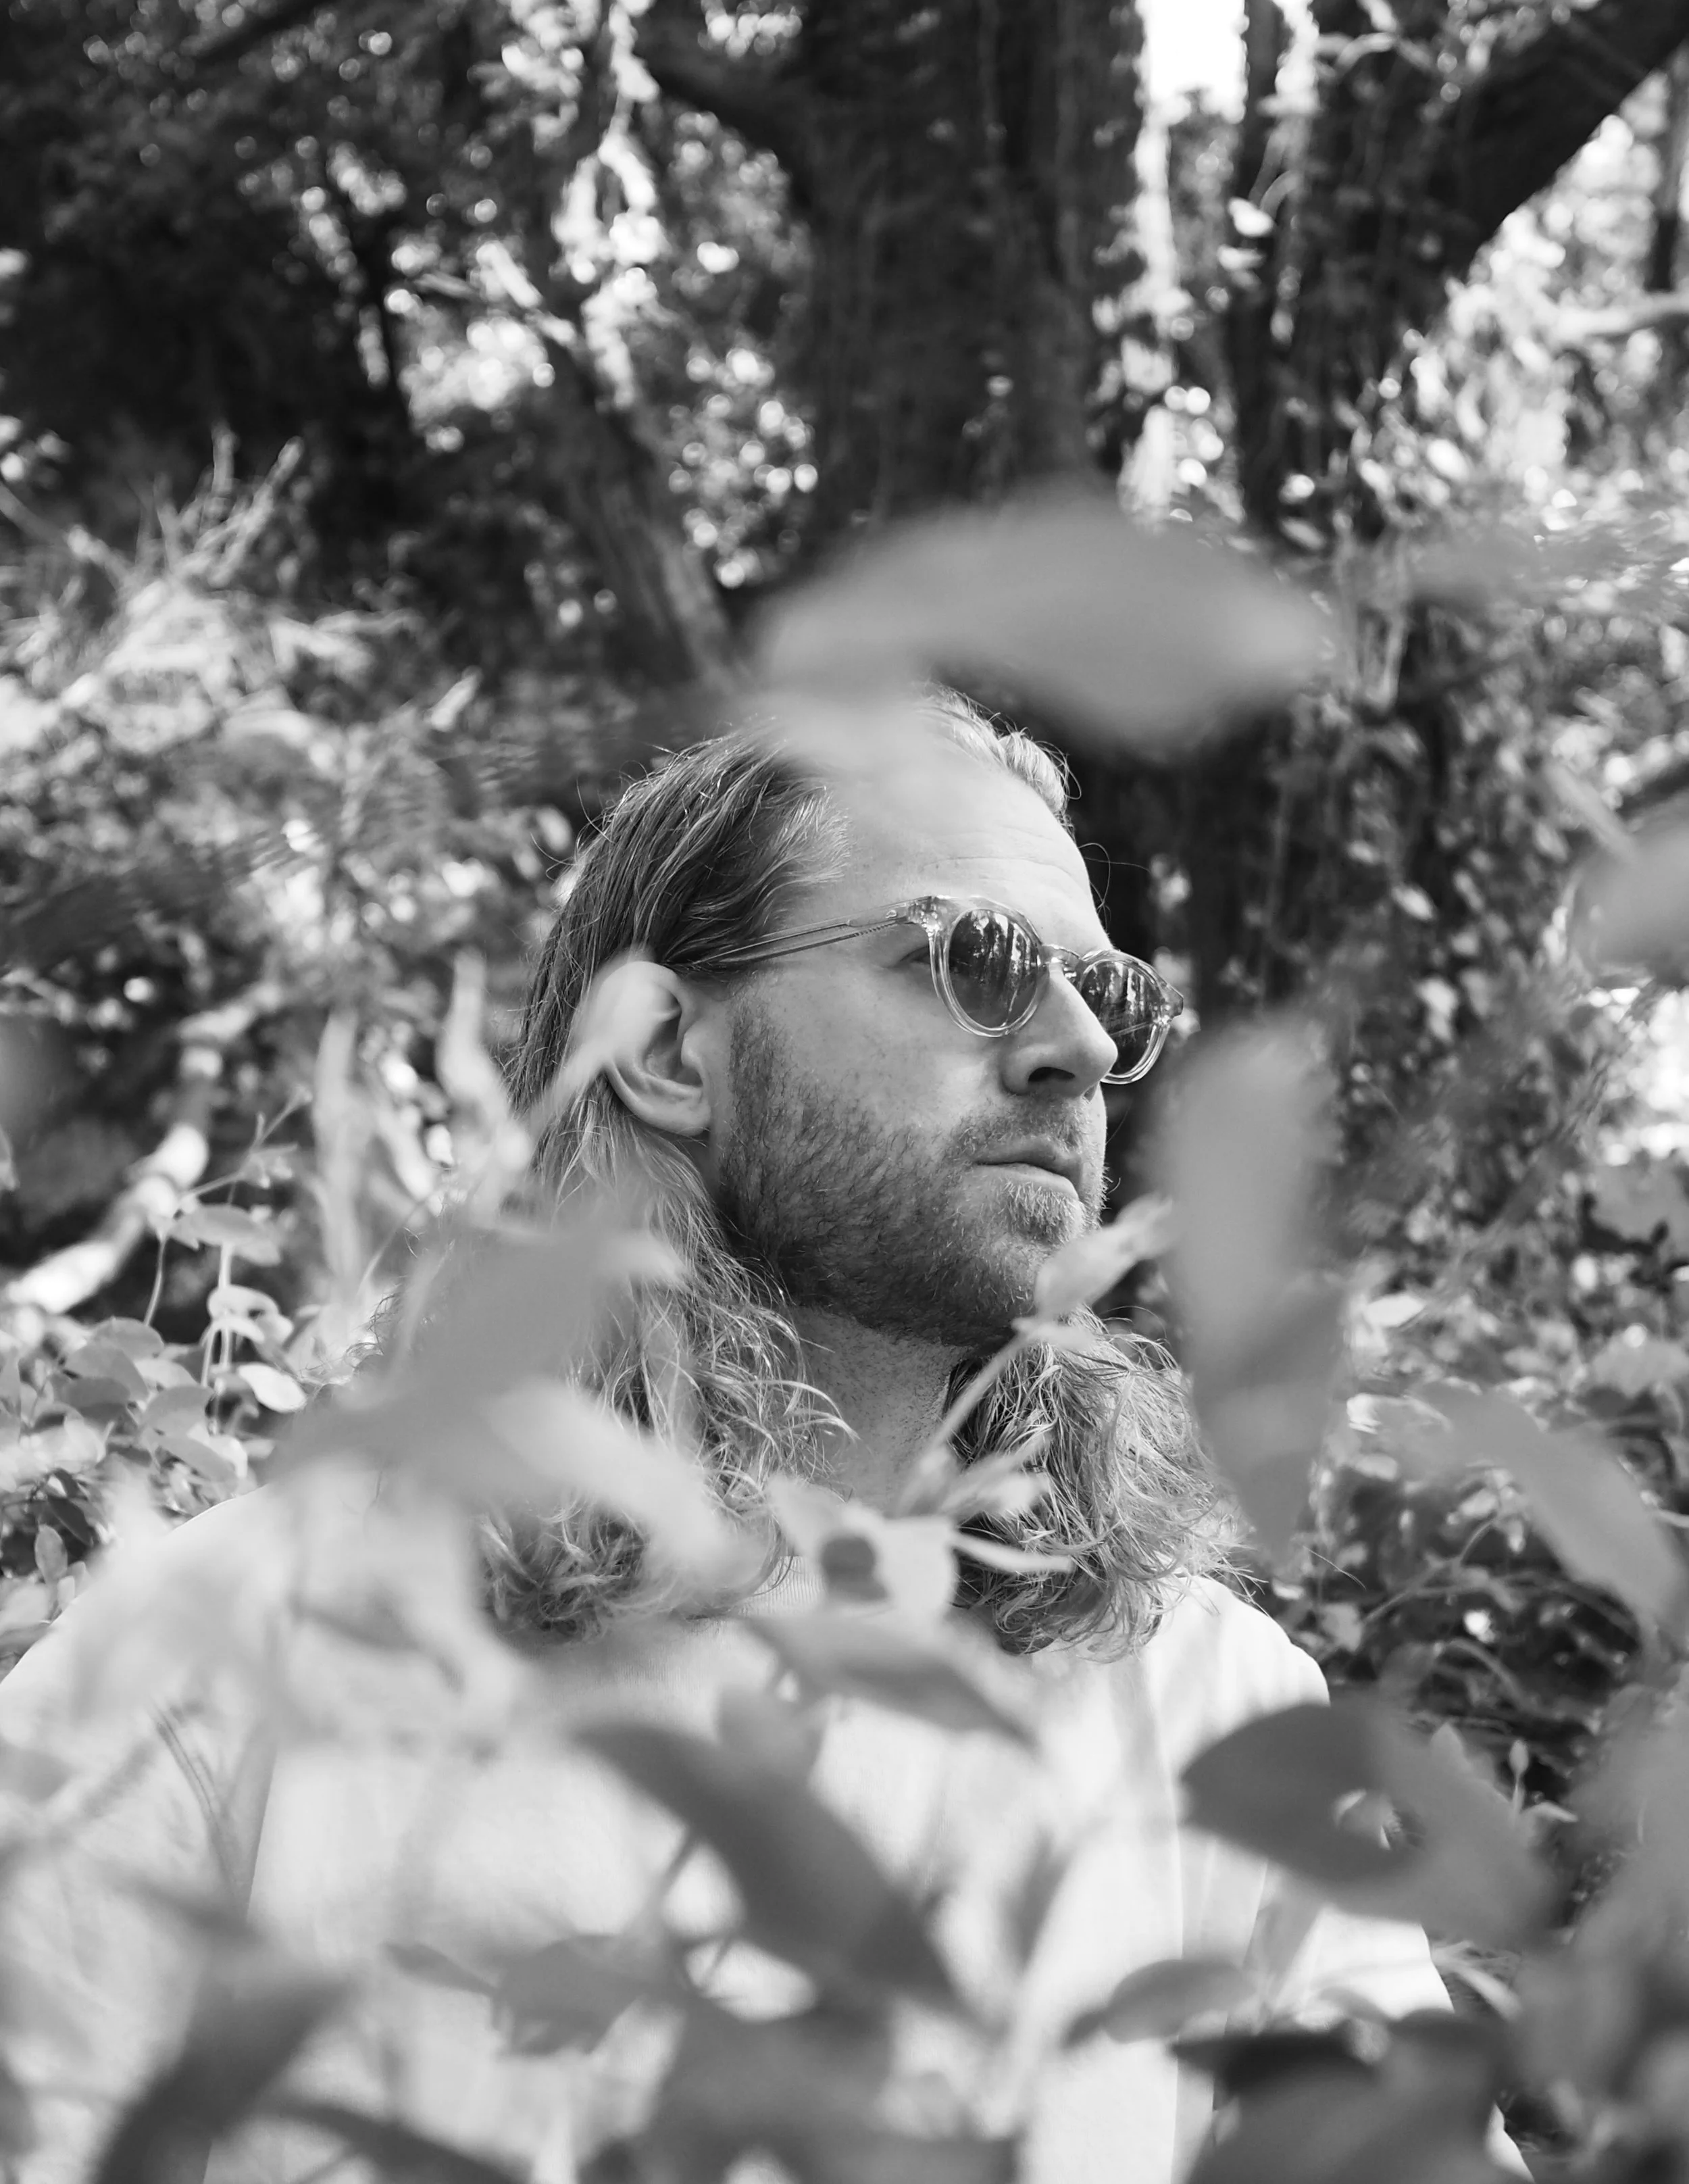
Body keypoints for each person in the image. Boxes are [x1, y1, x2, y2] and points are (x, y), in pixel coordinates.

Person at [0, 696, 1474, 2183]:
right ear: (664, 1050)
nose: (1081, 1047)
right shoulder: (217, 1664)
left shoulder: (1207, 1708)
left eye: (1105, 993)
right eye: (973, 959)